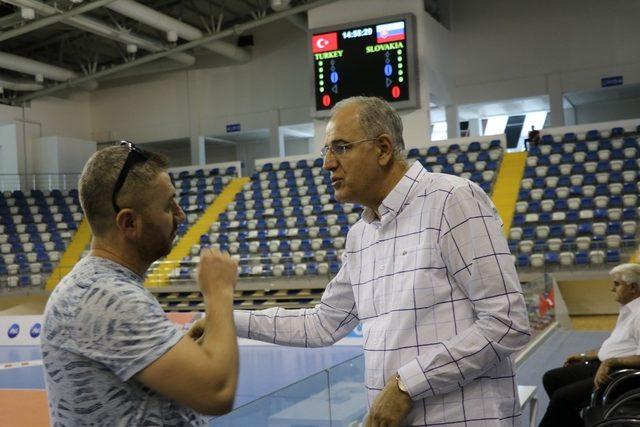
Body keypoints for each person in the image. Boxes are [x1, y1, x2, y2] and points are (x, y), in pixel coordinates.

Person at [195, 96, 530, 425]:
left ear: (383, 149)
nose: (327, 163)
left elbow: (507, 322)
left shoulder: (452, 200)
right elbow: (321, 324)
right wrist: (224, 317)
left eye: (340, 147)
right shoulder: (361, 235)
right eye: (326, 151)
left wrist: (407, 385)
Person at [41, 141, 239, 425]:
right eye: (168, 205)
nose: (180, 214)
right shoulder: (110, 297)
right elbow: (218, 393)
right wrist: (219, 292)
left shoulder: (96, 287)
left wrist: (180, 348)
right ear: (129, 223)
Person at [540, 263, 640, 426]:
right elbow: (620, 345)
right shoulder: (628, 310)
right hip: (605, 365)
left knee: (562, 398)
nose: (612, 289)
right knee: (552, 378)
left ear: (633, 288)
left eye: (617, 284)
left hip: (620, 375)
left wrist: (609, 362)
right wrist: (584, 356)